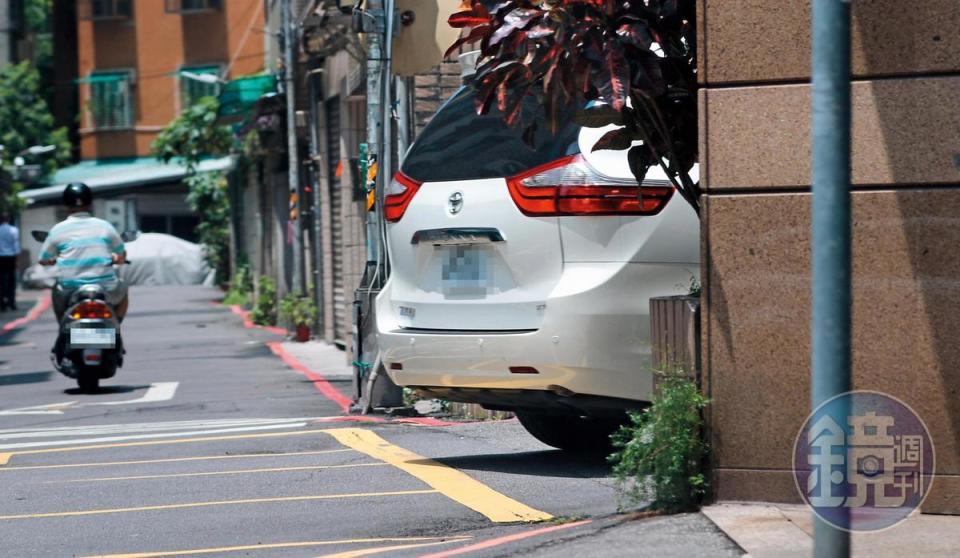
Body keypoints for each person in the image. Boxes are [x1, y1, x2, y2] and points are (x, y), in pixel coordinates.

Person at [38, 183, 128, 322]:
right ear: (90, 204)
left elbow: (43, 259)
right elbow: (121, 253)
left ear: (66, 205)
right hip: (105, 287)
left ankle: (63, 325)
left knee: (56, 290)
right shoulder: (105, 226)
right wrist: (118, 259)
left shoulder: (57, 230)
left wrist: (52, 260)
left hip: (70, 287)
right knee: (123, 288)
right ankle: (116, 322)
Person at [0, 212, 19, 311]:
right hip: (11, 257)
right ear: (8, 219)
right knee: (11, 281)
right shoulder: (14, 230)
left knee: (1, 281)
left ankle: (2, 303)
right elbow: (16, 245)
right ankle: (11, 302)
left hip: (1, 258)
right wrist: (17, 260)